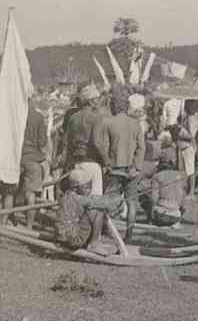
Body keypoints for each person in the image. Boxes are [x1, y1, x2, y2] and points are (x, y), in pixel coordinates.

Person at [94, 93, 146, 243]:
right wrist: (137, 166)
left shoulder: (108, 122)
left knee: (107, 201)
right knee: (131, 203)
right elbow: (141, 148)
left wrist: (107, 162)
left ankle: (104, 230)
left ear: (114, 106)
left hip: (114, 168)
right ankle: (129, 235)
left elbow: (101, 145)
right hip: (131, 169)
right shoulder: (135, 124)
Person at [53, 168, 122, 255]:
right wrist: (115, 201)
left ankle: (93, 241)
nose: (89, 190)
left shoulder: (68, 194)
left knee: (94, 209)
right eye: (86, 187)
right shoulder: (78, 198)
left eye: (89, 187)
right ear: (75, 188)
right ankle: (93, 244)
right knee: (97, 211)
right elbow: (96, 201)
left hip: (63, 235)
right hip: (71, 238)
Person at [65, 83, 106, 196]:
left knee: (78, 199)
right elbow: (98, 143)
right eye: (96, 99)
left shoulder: (73, 118)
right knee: (95, 200)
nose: (98, 102)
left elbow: (68, 143)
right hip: (92, 163)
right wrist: (107, 162)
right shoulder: (96, 118)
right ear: (91, 101)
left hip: (76, 162)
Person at [18, 97, 50, 229]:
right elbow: (42, 142)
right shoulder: (38, 117)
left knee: (11, 191)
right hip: (32, 158)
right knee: (31, 194)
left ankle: (6, 219)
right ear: (33, 101)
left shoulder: (17, 114)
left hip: (17, 157)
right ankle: (29, 226)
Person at [150, 148, 187, 228]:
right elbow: (183, 202)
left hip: (161, 215)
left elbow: (154, 198)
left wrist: (151, 214)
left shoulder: (157, 176)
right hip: (176, 216)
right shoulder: (181, 176)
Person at [171, 115, 197, 197]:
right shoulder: (177, 129)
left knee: (191, 172)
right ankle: (183, 190)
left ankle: (191, 193)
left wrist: (194, 149)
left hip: (188, 150)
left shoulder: (184, 130)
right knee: (181, 171)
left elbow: (192, 138)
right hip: (181, 150)